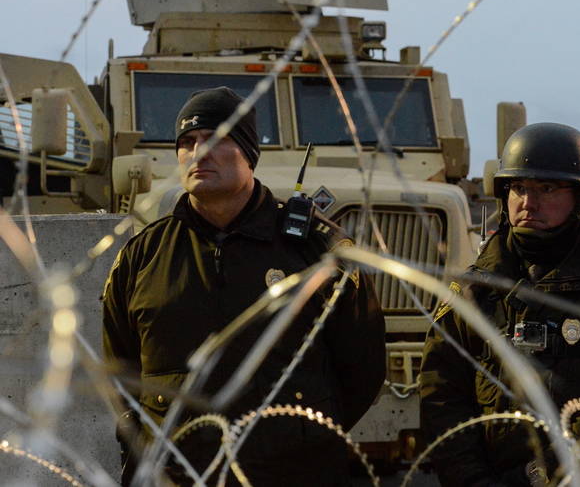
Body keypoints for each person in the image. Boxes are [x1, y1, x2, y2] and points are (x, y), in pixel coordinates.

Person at [102, 87, 385, 485]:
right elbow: (120, 369)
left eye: (217, 139)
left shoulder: (317, 250)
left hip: (292, 474)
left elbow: (363, 367)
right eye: (187, 142)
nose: (199, 152)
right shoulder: (143, 256)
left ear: (249, 152)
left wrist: (303, 437)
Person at [420, 123, 580, 486]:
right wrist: (471, 479)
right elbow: (441, 395)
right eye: (519, 188)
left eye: (547, 188)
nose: (528, 202)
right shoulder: (473, 290)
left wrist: (541, 476)